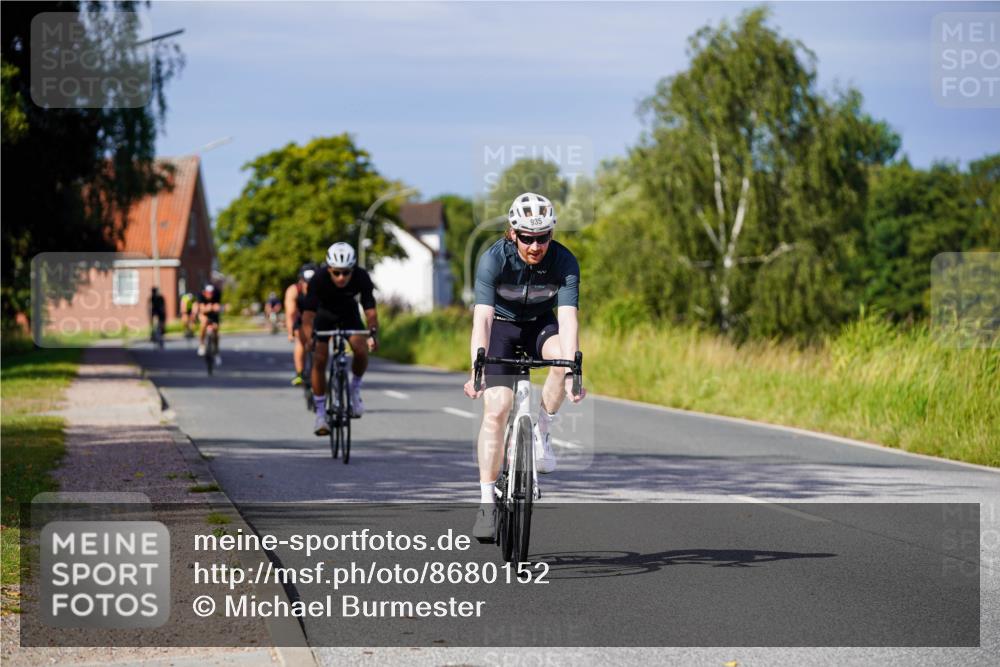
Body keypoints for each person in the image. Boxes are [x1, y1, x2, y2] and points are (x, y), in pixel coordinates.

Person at [463, 192, 585, 542]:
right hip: (500, 326)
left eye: (543, 237)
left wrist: (575, 370)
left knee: (562, 359)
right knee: (497, 408)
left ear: (551, 234)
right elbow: (482, 319)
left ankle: (542, 432)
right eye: (528, 237)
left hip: (539, 326)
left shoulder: (564, 262)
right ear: (513, 233)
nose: (536, 246)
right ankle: (487, 501)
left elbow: (568, 319)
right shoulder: (493, 260)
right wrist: (478, 367)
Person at [300, 243, 378, 436]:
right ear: (329, 269)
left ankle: (354, 390)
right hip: (324, 316)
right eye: (336, 273)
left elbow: (370, 309)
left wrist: (372, 333)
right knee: (319, 358)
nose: (341, 277)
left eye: (346, 273)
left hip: (349, 314)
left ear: (353, 270)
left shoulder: (361, 276)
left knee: (360, 349)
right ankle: (320, 414)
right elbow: (308, 315)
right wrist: (309, 337)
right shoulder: (318, 279)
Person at [285, 263, 317, 386]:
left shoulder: (321, 290)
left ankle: (318, 372)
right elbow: (290, 314)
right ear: (301, 280)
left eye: (312, 283)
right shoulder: (293, 291)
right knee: (300, 340)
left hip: (317, 317)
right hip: (300, 318)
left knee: (320, 343)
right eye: (306, 282)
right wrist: (290, 332)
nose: (308, 286)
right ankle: (300, 373)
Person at [196, 283, 223, 366]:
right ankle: (201, 344)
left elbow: (218, 307)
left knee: (216, 330)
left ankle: (216, 351)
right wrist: (208, 308)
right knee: (203, 323)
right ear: (205, 293)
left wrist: (215, 308)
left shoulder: (217, 294)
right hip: (203, 314)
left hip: (214, 314)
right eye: (208, 293)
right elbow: (201, 308)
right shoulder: (201, 296)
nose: (209, 295)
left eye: (211, 293)